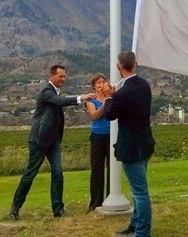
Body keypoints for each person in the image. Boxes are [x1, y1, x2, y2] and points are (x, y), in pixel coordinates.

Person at [10, 64, 92, 220]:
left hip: (53, 141)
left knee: (58, 173)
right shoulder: (46, 92)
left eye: (65, 76)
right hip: (39, 141)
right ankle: (15, 208)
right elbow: (60, 101)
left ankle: (58, 209)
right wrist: (81, 98)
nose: (63, 79)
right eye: (61, 76)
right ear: (52, 76)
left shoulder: (55, 91)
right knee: (30, 174)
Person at [103, 51, 155, 237]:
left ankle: (142, 233)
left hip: (131, 148)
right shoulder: (144, 85)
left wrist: (109, 97)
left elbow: (109, 114)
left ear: (119, 67)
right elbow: (129, 102)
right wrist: (115, 95)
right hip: (145, 143)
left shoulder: (121, 94)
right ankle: (134, 225)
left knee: (140, 193)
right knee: (137, 190)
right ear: (135, 64)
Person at [85, 73, 111, 212]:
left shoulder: (111, 98)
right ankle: (95, 201)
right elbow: (95, 115)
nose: (101, 85)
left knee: (112, 168)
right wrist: (105, 103)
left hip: (111, 136)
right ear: (94, 86)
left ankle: (110, 197)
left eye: (103, 82)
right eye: (99, 82)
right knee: (97, 169)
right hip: (98, 137)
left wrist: (109, 98)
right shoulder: (91, 100)